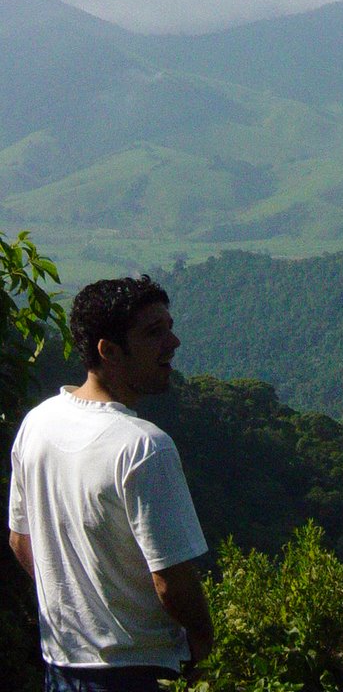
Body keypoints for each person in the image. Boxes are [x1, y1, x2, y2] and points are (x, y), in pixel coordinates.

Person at [8, 275, 214, 692]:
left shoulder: (39, 423)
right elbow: (171, 581)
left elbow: (20, 541)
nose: (173, 343)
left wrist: (77, 606)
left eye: (169, 327)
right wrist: (204, 642)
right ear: (109, 351)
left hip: (61, 664)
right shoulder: (143, 447)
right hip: (136, 671)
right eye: (155, 333)